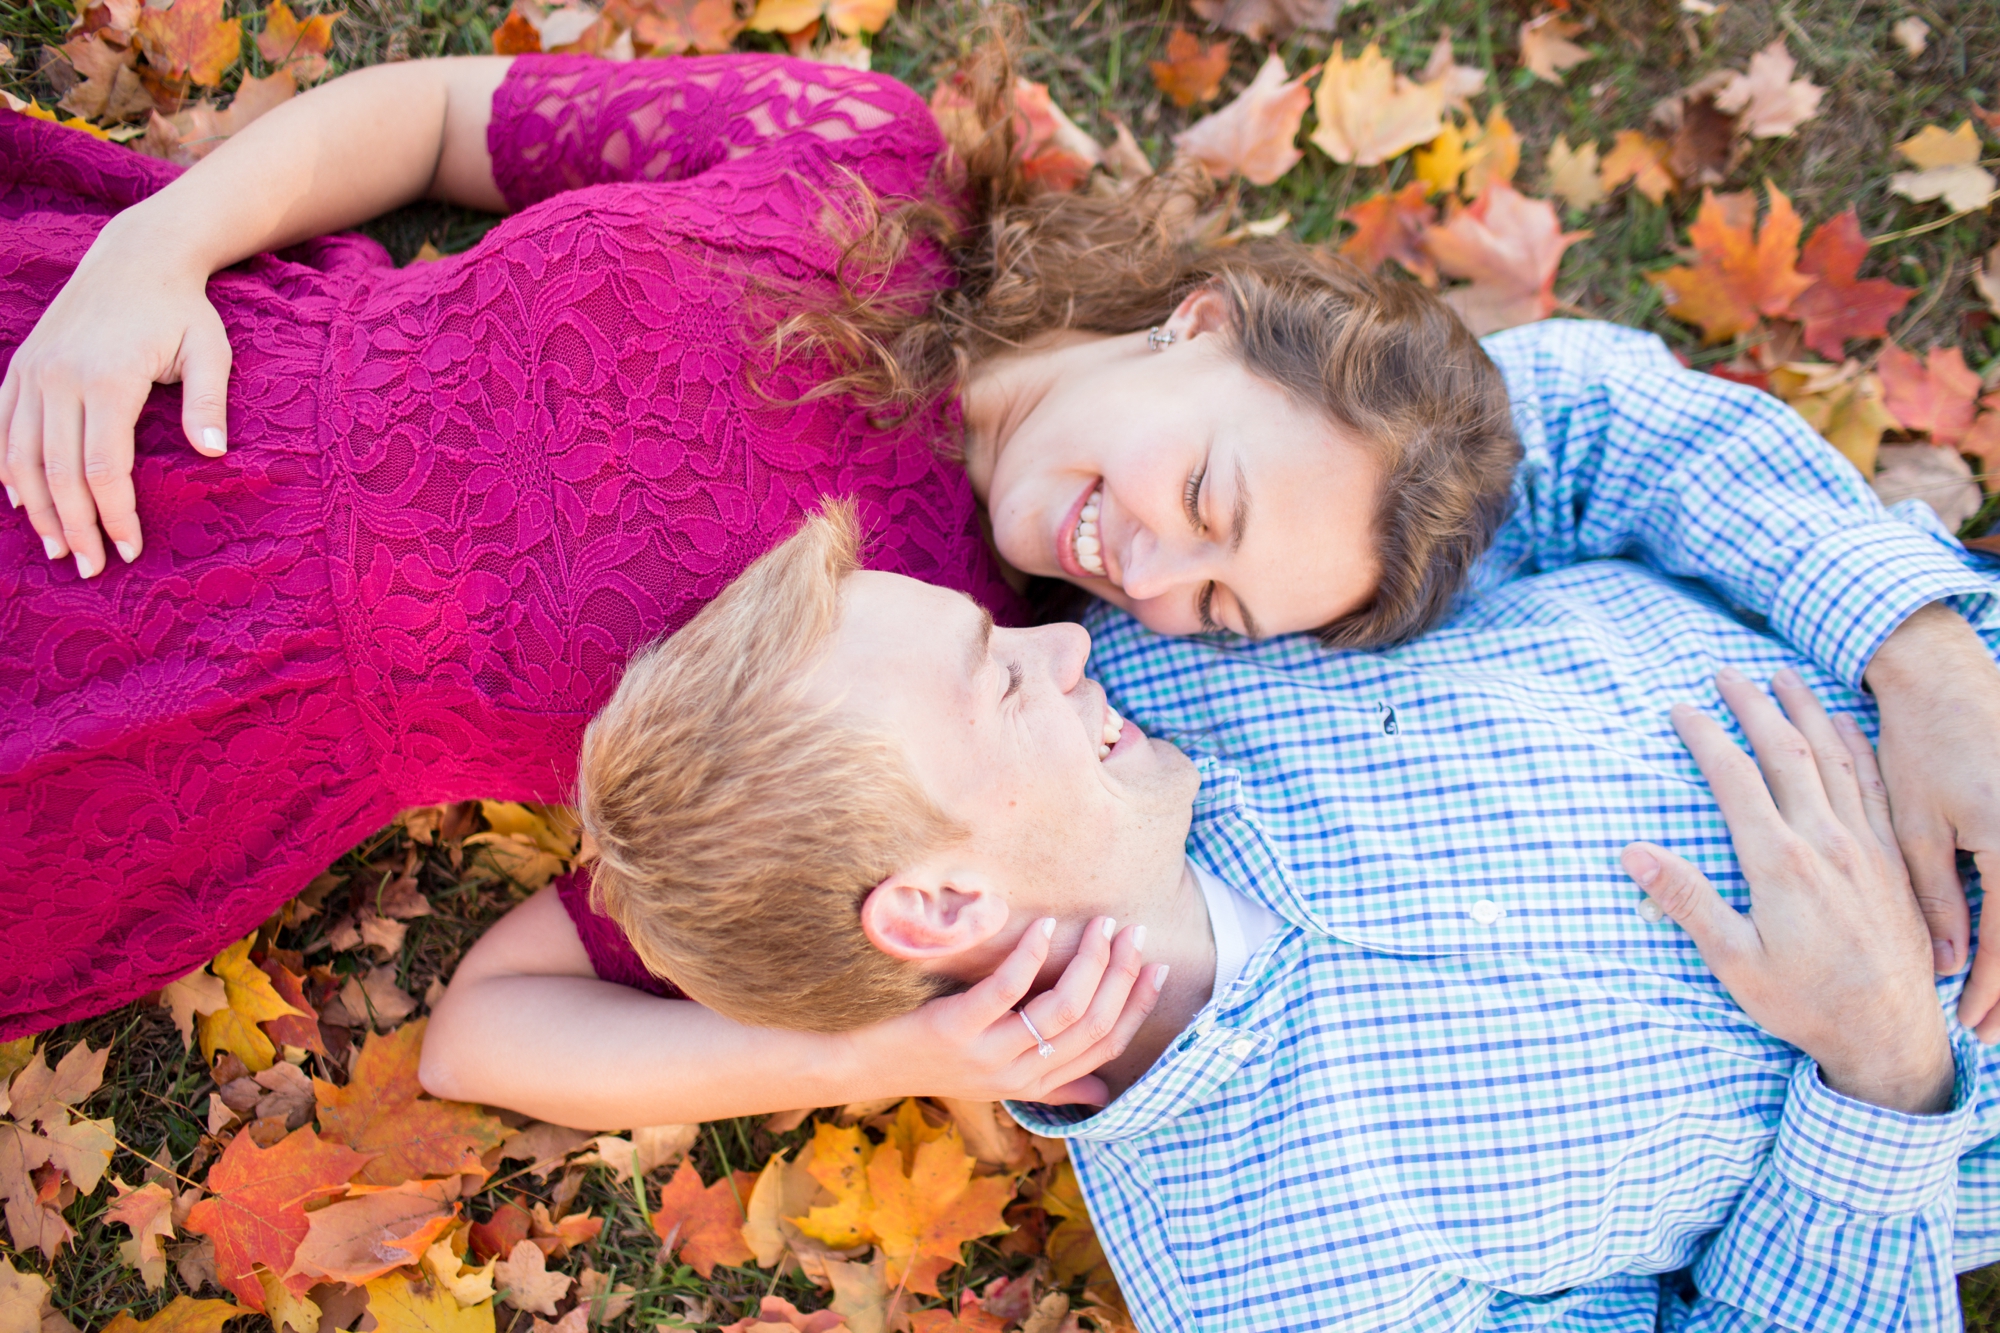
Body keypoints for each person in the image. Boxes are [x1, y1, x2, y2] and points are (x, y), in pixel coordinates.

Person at [6, 30, 2000, 1050]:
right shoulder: (856, 164)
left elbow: (516, 1011)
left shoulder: (933, 678)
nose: (1142, 573)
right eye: (1204, 497)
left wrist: (938, 1051)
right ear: (1201, 319)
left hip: (167, 706)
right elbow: (452, 118)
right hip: (145, 346)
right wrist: (156, 247)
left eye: (1212, 601)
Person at [544, 505, 2000, 1330]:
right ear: (941, 901)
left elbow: (1568, 422)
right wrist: (1880, 1073)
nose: (1064, 636)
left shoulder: (1185, 632)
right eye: (1001, 676)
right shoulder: (1282, 1283)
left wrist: (1925, 658)